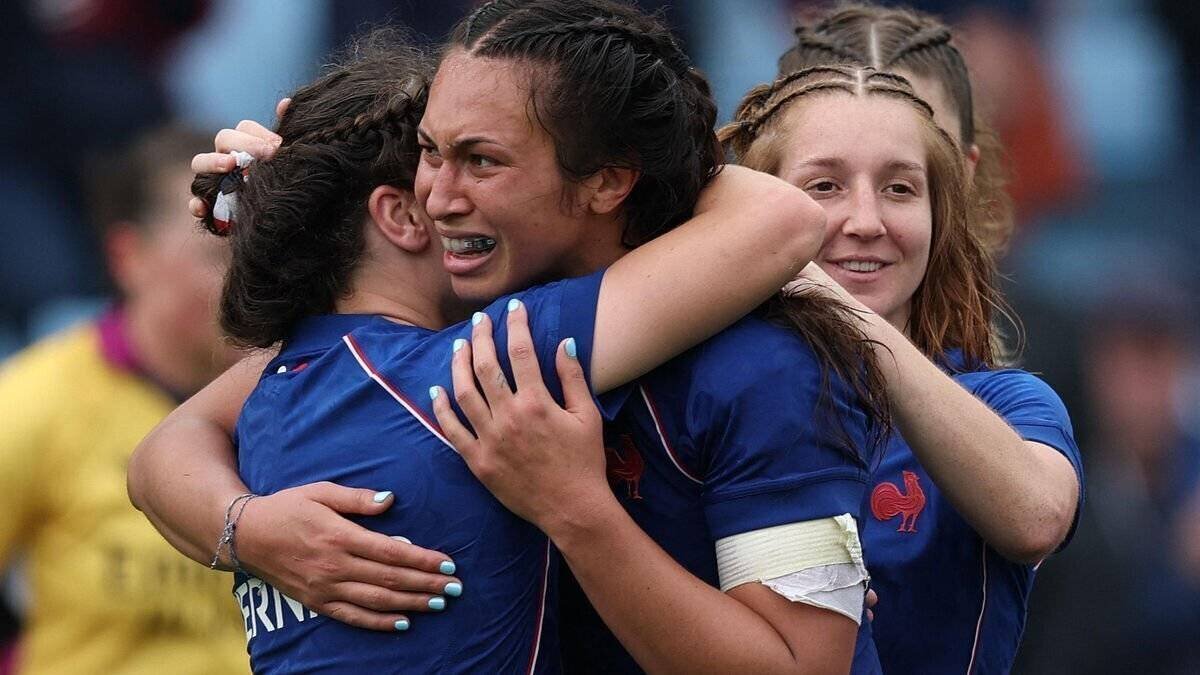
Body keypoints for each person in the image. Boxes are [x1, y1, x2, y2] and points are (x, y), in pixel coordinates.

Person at [130, 4, 887, 671]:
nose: (440, 194)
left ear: (605, 180)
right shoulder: (463, 350)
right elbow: (164, 449)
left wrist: (577, 511)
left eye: (480, 158)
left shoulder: (747, 367)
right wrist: (250, 528)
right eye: (429, 152)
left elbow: (786, 219)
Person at [729, 10, 1087, 670]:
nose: (865, 219)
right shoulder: (708, 393)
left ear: (951, 180)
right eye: (827, 181)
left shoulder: (1007, 402)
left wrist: (825, 298)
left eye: (902, 178)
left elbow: (1037, 515)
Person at [0, 125, 247, 674]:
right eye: (216, 254)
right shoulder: (37, 398)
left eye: (257, 252)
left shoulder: (301, 391)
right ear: (129, 256)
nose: (246, 280)